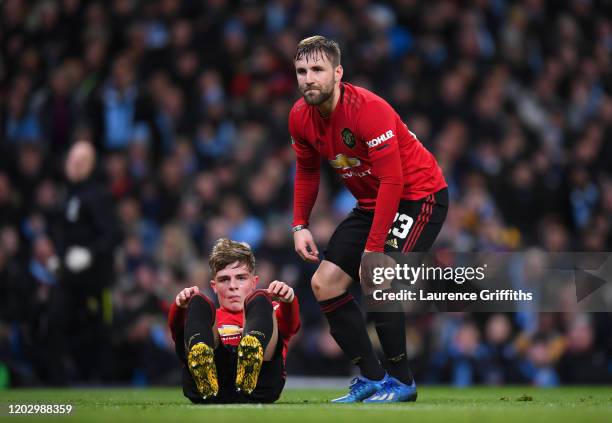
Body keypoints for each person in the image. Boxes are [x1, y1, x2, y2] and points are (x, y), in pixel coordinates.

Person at [289, 36, 448, 402]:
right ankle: (374, 378)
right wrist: (300, 225)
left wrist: (375, 249)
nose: (308, 78)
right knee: (324, 284)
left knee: (377, 277)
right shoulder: (300, 116)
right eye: (301, 71)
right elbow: (308, 170)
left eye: (317, 69)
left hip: (418, 197)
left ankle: (402, 381)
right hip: (372, 202)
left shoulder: (368, 110)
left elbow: (394, 180)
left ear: (338, 73)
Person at [168, 238, 300, 404]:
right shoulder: (207, 319)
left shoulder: (270, 309)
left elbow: (291, 325)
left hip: (259, 387)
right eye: (224, 279)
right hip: (209, 387)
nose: (233, 286)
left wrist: (289, 300)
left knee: (260, 298)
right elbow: (177, 334)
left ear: (254, 282)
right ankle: (203, 363)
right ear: (214, 286)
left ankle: (252, 350)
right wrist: (179, 306)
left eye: (241, 278)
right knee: (198, 301)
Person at [47, 140, 123, 383]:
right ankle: (60, 382)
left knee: (98, 331)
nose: (75, 165)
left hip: (95, 280)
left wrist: (90, 253)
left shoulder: (98, 194)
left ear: (91, 165)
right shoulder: (67, 194)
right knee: (57, 320)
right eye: (72, 159)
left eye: (82, 161)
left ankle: (100, 384)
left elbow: (114, 234)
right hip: (69, 277)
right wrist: (57, 259)